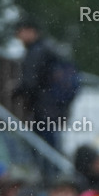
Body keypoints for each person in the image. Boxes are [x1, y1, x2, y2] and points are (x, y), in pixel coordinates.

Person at [12, 17, 70, 150]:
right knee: (50, 140)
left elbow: (30, 81)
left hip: (44, 105)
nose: (19, 36)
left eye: (21, 31)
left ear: (31, 31)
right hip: (54, 105)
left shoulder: (37, 51)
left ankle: (49, 170)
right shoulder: (48, 48)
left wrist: (16, 91)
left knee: (43, 144)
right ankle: (52, 169)